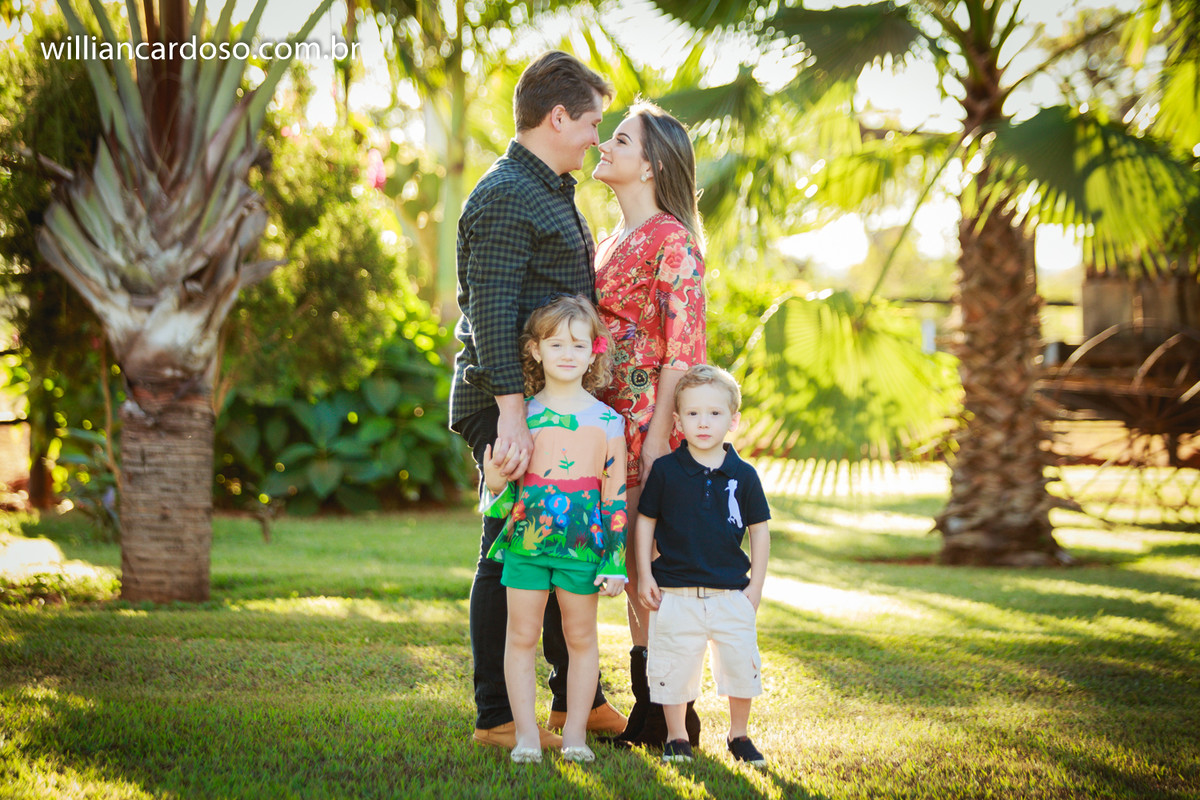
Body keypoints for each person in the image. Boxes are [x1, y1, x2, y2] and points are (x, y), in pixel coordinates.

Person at [449, 50, 626, 750]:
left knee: (559, 541)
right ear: (557, 117)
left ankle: (573, 704)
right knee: (507, 552)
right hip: (507, 403)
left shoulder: (549, 188)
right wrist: (513, 417)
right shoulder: (503, 196)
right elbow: (490, 313)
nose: (596, 136)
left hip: (543, 401)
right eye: (591, 122)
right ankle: (497, 715)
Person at [592, 101, 707, 747]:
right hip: (606, 428)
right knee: (634, 570)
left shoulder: (673, 240)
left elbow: (682, 350)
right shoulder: (610, 240)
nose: (605, 145)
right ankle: (646, 708)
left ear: (652, 164)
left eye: (621, 139)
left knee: (655, 569)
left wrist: (662, 440)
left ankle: (676, 714)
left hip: (649, 428)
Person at [481, 295, 629, 764]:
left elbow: (615, 500)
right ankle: (526, 737)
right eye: (556, 343)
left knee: (581, 639)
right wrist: (494, 481)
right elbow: (502, 498)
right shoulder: (519, 416)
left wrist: (616, 562)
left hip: (584, 549)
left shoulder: (609, 422)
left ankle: (576, 737)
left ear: (593, 352)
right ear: (535, 350)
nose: (567, 352)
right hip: (526, 545)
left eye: (578, 344)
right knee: (519, 638)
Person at [635, 364, 772, 768]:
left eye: (714, 413)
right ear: (678, 421)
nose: (704, 422)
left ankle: (739, 734)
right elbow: (646, 523)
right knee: (673, 666)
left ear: (733, 420)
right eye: (693, 414)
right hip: (674, 593)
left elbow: (760, 531)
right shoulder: (666, 471)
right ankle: (677, 737)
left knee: (739, 665)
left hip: (731, 593)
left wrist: (756, 588)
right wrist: (645, 573)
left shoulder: (744, 475)